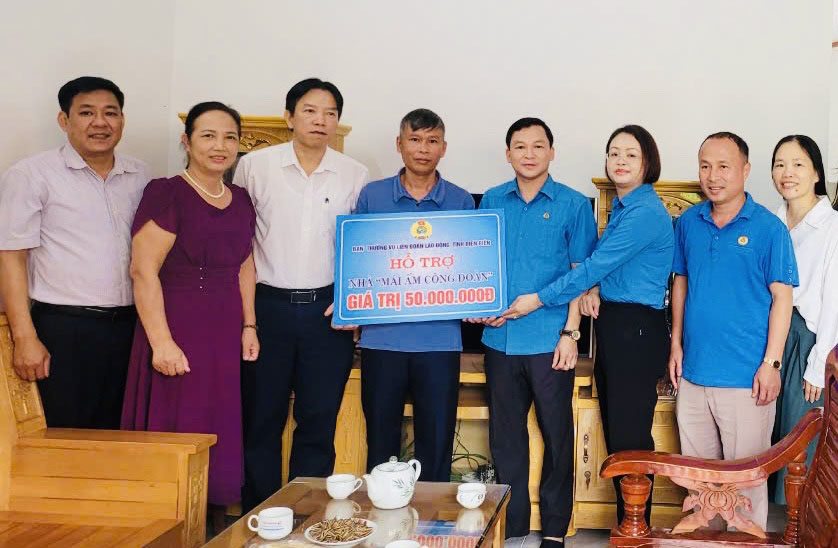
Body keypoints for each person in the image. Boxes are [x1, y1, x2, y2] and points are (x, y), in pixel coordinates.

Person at [501, 125, 674, 526]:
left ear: (648, 161)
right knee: (619, 435)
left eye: (631, 154)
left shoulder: (645, 212)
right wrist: (595, 288)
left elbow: (594, 265)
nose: (620, 161)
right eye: (614, 153)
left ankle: (636, 529)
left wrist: (538, 299)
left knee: (631, 439)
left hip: (637, 330)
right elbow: (605, 269)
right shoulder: (623, 207)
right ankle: (630, 525)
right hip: (615, 326)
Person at [233, 78, 370, 511]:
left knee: (318, 421)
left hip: (326, 313)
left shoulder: (355, 174)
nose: (320, 120)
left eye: (330, 113)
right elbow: (240, 244)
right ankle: (260, 516)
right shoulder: (254, 167)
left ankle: (305, 516)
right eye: (310, 111)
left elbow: (362, 248)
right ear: (289, 117)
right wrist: (248, 320)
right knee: (261, 419)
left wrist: (351, 304)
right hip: (267, 309)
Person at [121, 102, 257, 520]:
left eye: (230, 137)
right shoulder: (167, 192)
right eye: (208, 136)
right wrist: (161, 343)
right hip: (177, 324)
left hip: (224, 328)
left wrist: (249, 324)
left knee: (216, 417)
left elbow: (245, 265)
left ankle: (207, 516)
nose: (220, 146)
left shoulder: (241, 199)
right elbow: (143, 270)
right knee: (179, 417)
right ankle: (167, 518)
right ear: (187, 140)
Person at [471, 118, 597, 548]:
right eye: (520, 146)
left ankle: (556, 530)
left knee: (557, 437)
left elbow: (581, 274)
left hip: (550, 341)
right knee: (506, 439)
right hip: (499, 340)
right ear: (508, 154)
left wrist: (571, 333)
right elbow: (477, 262)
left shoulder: (573, 204)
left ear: (551, 153)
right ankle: (514, 527)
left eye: (538, 146)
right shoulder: (492, 200)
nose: (529, 154)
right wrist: (480, 306)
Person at [0, 76, 150, 429]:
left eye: (110, 113)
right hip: (64, 330)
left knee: (124, 435)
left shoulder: (141, 175)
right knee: (64, 436)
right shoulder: (31, 175)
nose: (100, 123)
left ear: (122, 120)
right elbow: (11, 257)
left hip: (130, 328)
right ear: (64, 120)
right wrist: (24, 337)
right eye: (86, 113)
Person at [668, 132, 797, 530]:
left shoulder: (769, 229)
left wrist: (771, 364)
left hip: (747, 381)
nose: (713, 176)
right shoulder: (689, 222)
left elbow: (783, 298)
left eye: (723, 166)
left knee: (745, 490)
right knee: (699, 488)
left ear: (745, 169)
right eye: (705, 166)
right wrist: (675, 344)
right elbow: (681, 283)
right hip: (693, 377)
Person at [355, 108, 474, 481]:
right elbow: (357, 260)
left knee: (436, 445)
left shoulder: (461, 201)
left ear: (443, 148)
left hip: (440, 342)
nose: (423, 149)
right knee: (381, 443)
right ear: (399, 144)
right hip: (381, 340)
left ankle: (432, 516)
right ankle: (383, 513)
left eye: (432, 141)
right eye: (415, 139)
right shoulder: (372, 196)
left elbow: (470, 266)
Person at [769, 135, 838, 503]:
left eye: (798, 164)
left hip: (807, 341)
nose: (788, 172)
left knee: (799, 437)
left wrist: (818, 363)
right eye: (780, 164)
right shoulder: (771, 221)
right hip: (770, 337)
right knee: (766, 435)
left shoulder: (832, 227)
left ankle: (799, 523)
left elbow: (834, 301)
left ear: (816, 173)